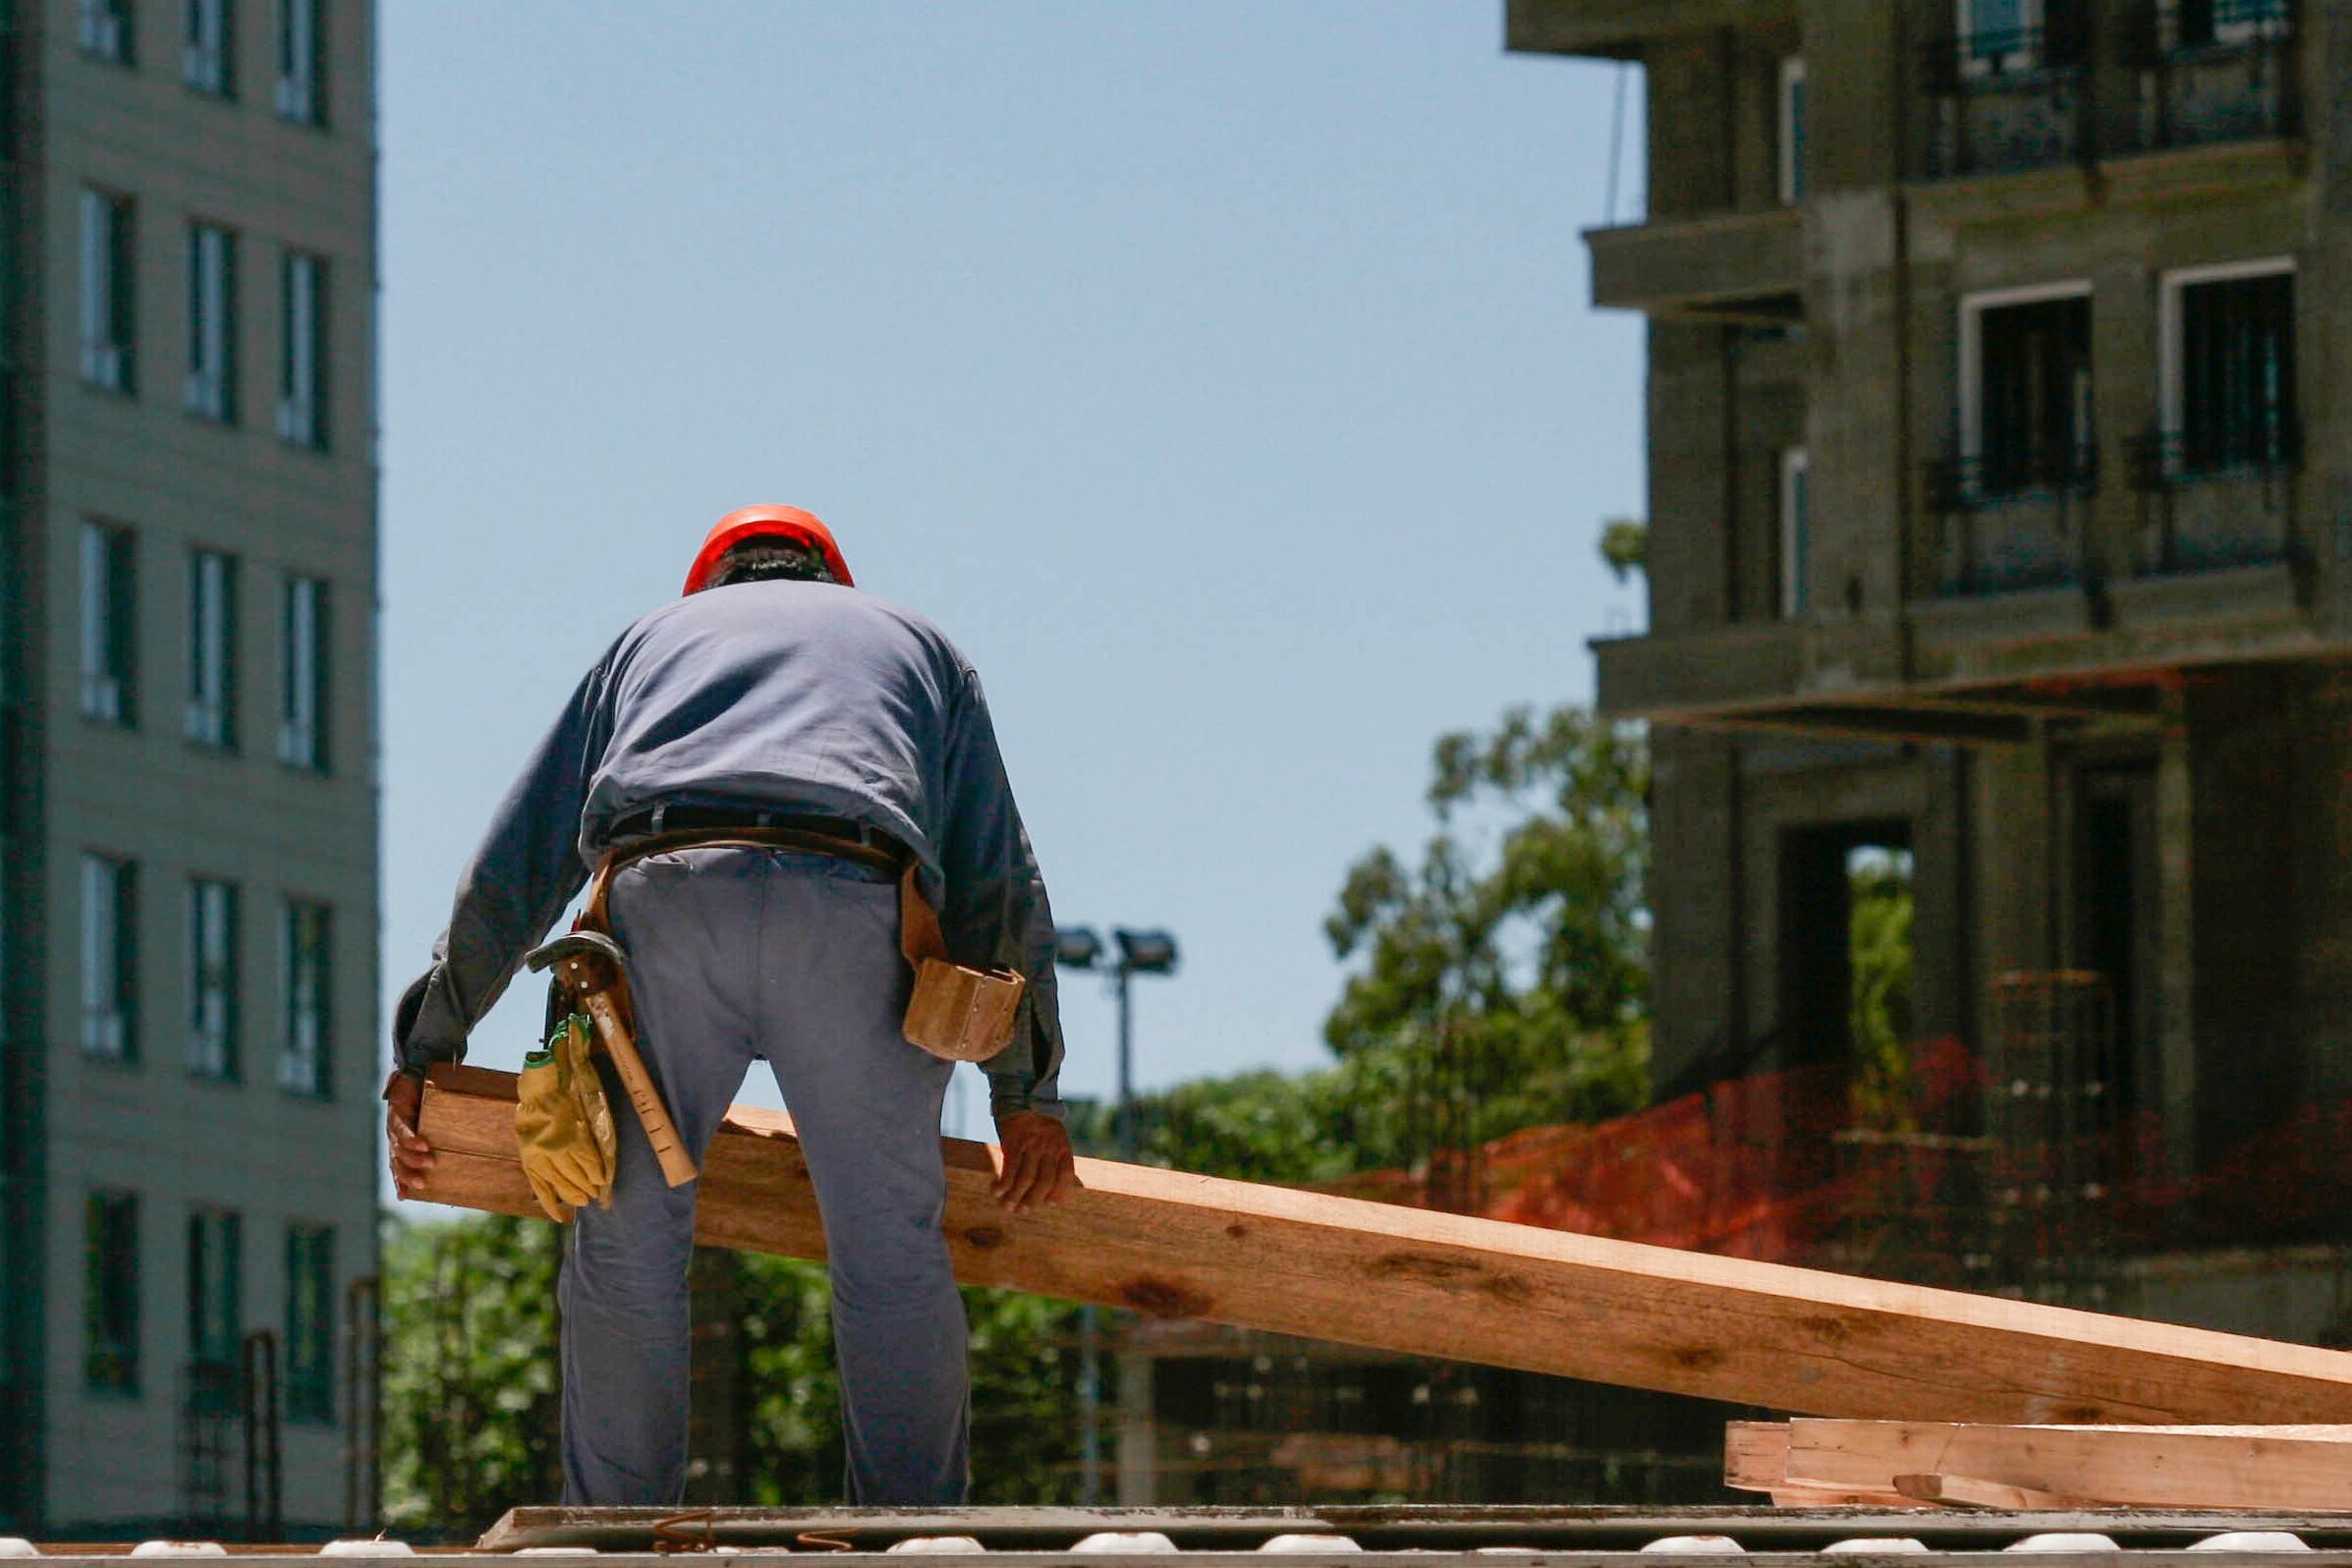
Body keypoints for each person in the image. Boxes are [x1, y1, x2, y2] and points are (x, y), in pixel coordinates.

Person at [382, 504, 1077, 1506]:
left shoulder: (646, 645)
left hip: (667, 897)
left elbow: (521, 859)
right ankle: (913, 1531)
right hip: (855, 906)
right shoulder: (918, 646)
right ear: (831, 581)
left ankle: (621, 1535)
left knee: (624, 1248)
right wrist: (1028, 1096)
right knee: (888, 1254)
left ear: (707, 588)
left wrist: (429, 1046)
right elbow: (995, 880)